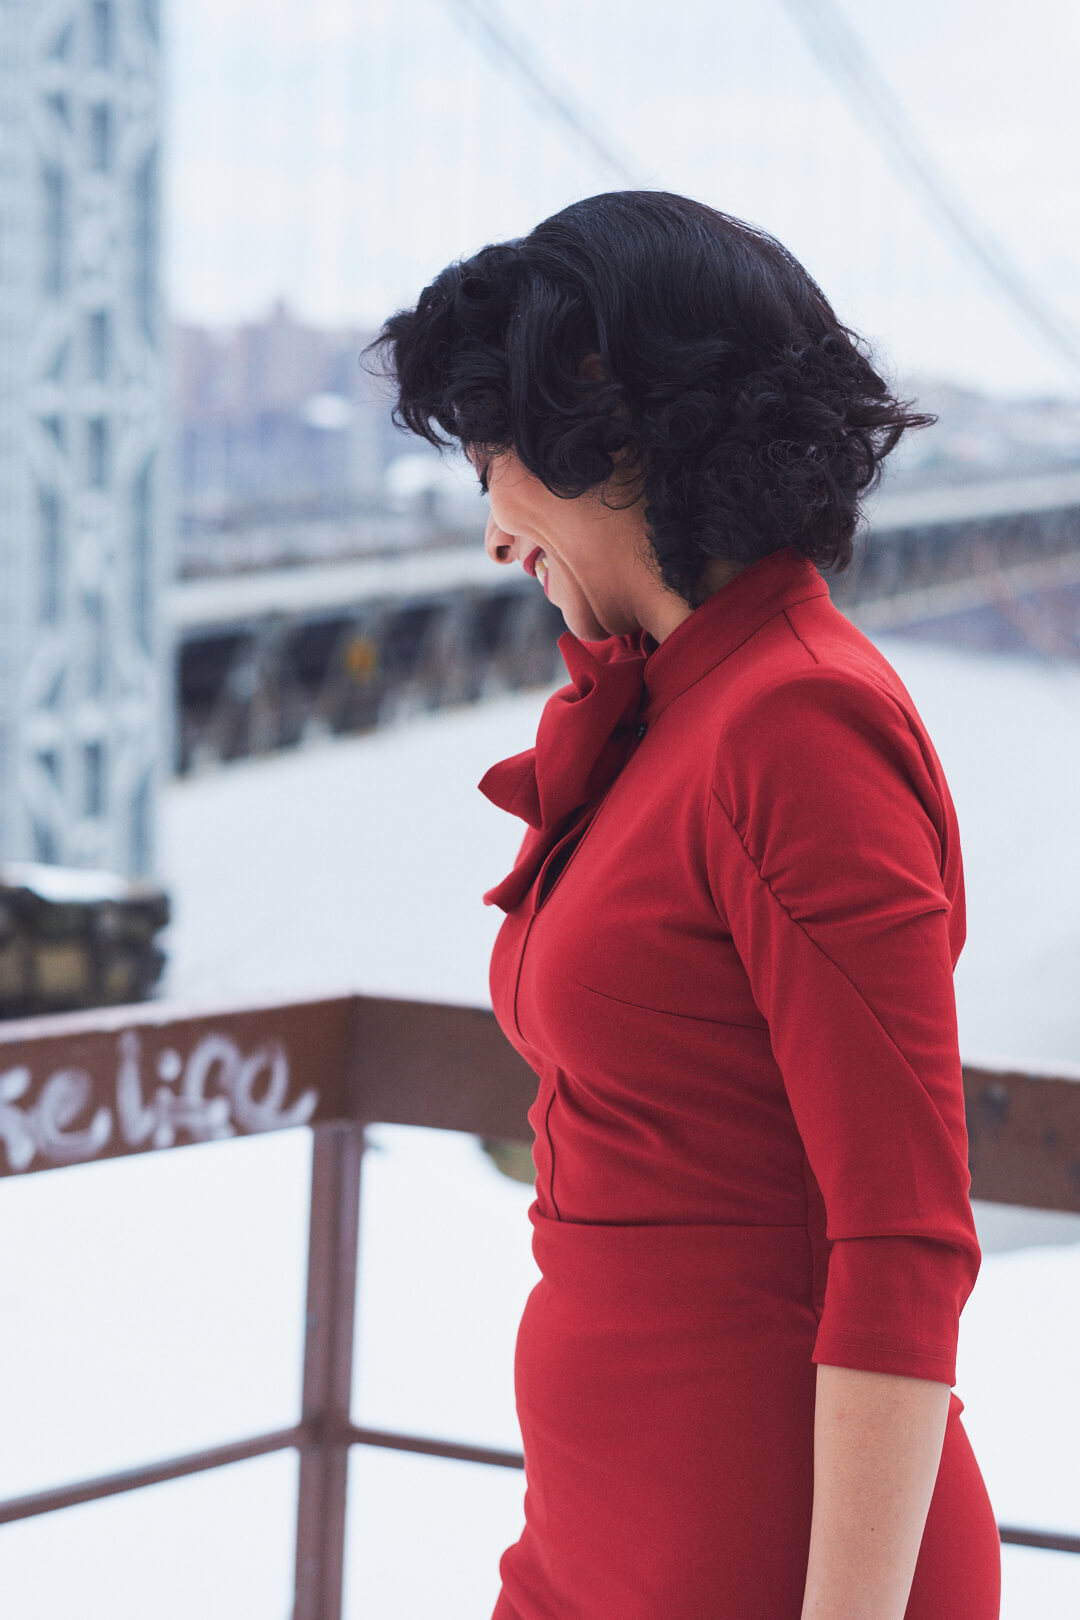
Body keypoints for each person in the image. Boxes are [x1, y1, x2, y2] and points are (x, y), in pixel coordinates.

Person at [366, 191, 1002, 1620]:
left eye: (495, 461)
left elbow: (903, 1234)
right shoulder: (677, 713)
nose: (489, 535)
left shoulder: (800, 726)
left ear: (618, 434)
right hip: (599, 1535)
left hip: (768, 1559)